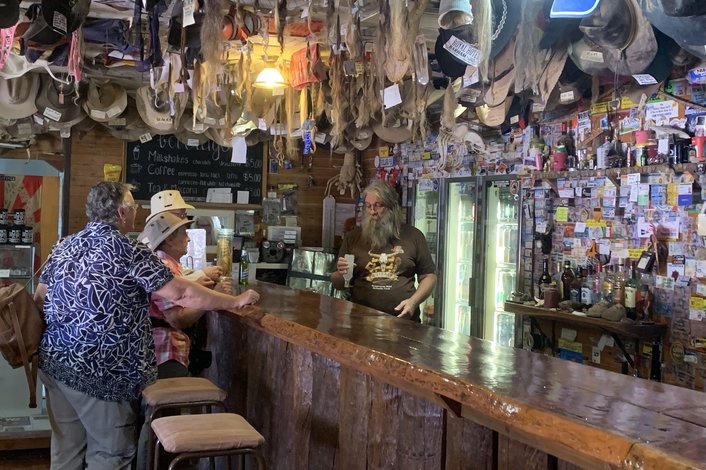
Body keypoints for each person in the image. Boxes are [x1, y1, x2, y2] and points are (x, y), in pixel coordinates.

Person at [34, 182, 260, 470]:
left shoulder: (64, 245)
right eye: (133, 206)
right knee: (109, 454)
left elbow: (40, 300)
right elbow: (181, 293)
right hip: (101, 370)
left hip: (55, 366)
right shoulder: (129, 250)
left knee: (66, 453)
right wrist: (234, 301)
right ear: (121, 213)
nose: (137, 211)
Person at [331, 180, 437, 322]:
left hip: (403, 320)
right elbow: (338, 284)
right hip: (361, 322)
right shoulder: (353, 237)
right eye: (368, 206)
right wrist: (340, 273)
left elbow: (429, 277)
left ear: (392, 207)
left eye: (378, 206)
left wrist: (413, 302)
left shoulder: (414, 236)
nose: (372, 211)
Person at [145, 189, 222, 287]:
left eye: (184, 214)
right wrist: (202, 276)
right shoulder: (150, 244)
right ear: (163, 216)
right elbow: (168, 284)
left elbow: (180, 271)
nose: (184, 218)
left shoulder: (170, 243)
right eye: (180, 214)